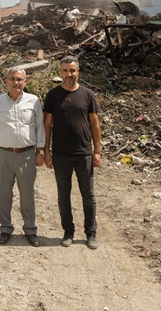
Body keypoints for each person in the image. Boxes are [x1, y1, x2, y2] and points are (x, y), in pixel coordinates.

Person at [44, 56, 102, 250]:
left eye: (72, 70)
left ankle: (91, 233)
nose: (69, 74)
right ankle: (68, 232)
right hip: (60, 154)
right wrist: (46, 150)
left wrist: (97, 151)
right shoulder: (53, 95)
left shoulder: (87, 95)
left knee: (88, 195)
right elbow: (47, 125)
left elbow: (94, 124)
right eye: (65, 71)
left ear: (78, 72)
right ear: (60, 72)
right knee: (63, 195)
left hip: (83, 152)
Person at [0, 67, 45, 247]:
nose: (16, 82)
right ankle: (5, 229)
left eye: (19, 79)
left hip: (26, 154)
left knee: (27, 195)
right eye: (12, 79)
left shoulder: (34, 101)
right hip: (3, 154)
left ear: (25, 82)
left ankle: (30, 230)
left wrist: (40, 151)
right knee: (4, 193)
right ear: (6, 81)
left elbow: (39, 127)